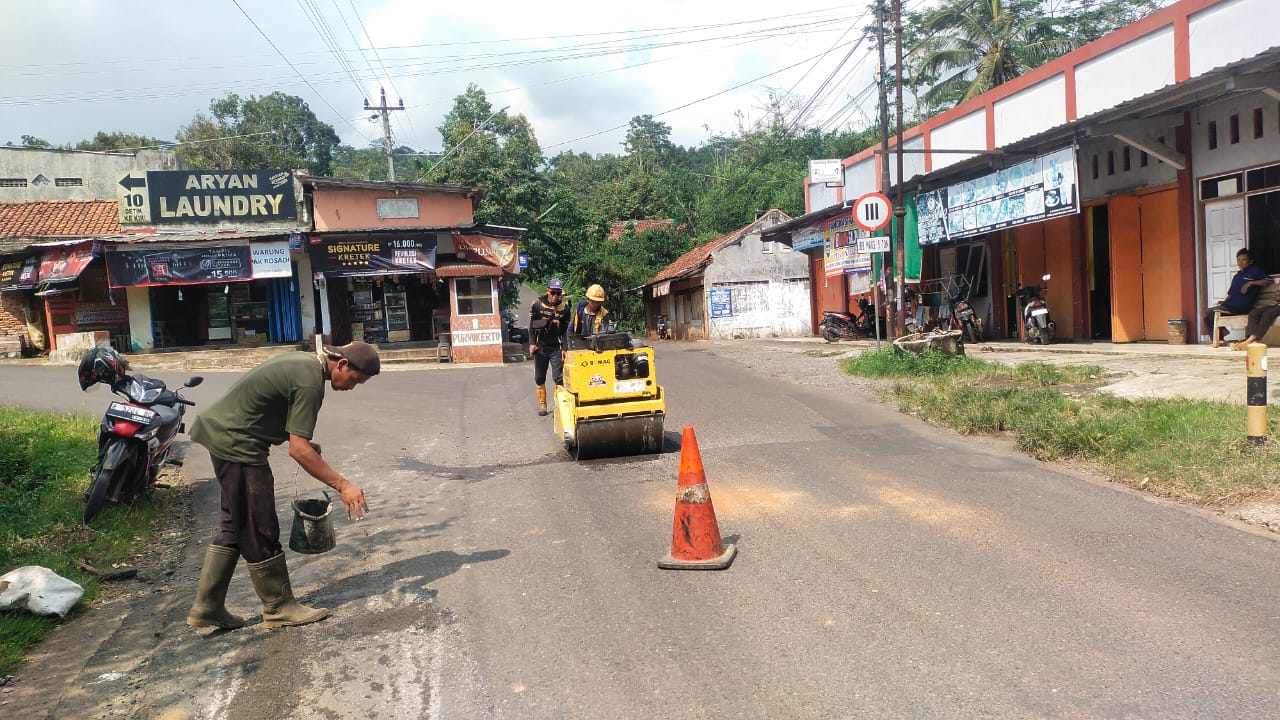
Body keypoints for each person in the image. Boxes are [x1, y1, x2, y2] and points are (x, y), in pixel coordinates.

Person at [185, 341, 378, 630]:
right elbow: (299, 451)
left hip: (227, 434)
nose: (353, 387)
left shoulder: (304, 365)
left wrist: (298, 441)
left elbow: (265, 405)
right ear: (341, 364)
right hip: (238, 445)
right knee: (259, 525)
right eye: (354, 380)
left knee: (233, 525)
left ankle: (207, 606)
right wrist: (343, 485)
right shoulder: (311, 382)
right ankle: (278, 607)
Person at [1203, 248, 1272, 347]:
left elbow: (1268, 281)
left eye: (1243, 260)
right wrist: (1224, 301)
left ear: (1250, 261)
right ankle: (1221, 338)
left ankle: (1220, 336)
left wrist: (1251, 283)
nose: (1240, 262)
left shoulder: (1255, 271)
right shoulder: (1237, 276)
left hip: (1242, 306)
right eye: (1238, 260)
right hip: (1231, 305)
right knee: (1208, 314)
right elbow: (1231, 293)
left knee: (1210, 312)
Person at [529, 279, 571, 416]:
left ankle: (559, 405)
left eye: (558, 293)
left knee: (559, 378)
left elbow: (565, 331)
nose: (555, 296)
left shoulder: (565, 309)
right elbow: (531, 327)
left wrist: (565, 348)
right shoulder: (537, 304)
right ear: (547, 290)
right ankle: (542, 404)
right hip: (540, 347)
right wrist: (532, 343)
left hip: (556, 348)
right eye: (553, 292)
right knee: (539, 377)